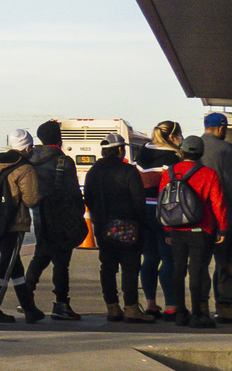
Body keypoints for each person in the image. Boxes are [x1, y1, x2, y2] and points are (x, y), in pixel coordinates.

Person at [14, 120, 86, 322]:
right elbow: (72, 193)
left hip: (39, 214)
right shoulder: (64, 162)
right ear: (59, 138)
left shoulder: (30, 160)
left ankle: (26, 296)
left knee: (42, 253)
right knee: (61, 261)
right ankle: (61, 304)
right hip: (62, 215)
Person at [159, 134, 230, 325]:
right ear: (201, 153)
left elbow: (163, 201)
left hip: (176, 229)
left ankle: (180, 313)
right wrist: (222, 229)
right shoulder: (209, 174)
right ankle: (198, 314)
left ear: (181, 151)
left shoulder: (169, 173)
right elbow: (218, 204)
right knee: (197, 271)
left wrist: (167, 229)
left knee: (178, 270)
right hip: (201, 229)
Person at [82, 137, 150, 322]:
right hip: (128, 227)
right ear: (120, 150)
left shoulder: (93, 171)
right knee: (130, 268)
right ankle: (131, 308)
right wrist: (139, 224)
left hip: (103, 227)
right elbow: (138, 201)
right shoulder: (129, 171)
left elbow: (88, 198)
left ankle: (112, 308)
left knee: (108, 267)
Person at [197, 112, 232, 321]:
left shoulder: (191, 146)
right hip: (221, 215)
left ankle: (200, 304)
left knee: (200, 262)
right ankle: (224, 305)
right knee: (223, 261)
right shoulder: (225, 149)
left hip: (196, 216)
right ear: (221, 128)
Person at [0, 130, 37, 323]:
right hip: (15, 222)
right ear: (27, 147)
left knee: (14, 265)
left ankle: (29, 309)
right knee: (6, 265)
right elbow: (31, 199)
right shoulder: (25, 167)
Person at [136, 121, 184, 318]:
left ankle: (150, 305)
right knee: (169, 259)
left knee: (149, 258)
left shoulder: (142, 153)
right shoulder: (172, 157)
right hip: (165, 212)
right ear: (173, 137)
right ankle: (172, 306)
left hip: (143, 212)